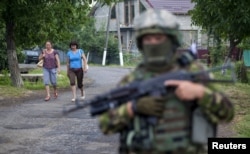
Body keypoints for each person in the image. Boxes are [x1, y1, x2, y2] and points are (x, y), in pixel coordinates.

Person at [97, 9, 234, 154]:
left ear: (171, 39)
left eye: (158, 38)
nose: (153, 43)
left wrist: (200, 93)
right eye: (148, 39)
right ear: (141, 43)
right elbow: (105, 125)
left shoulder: (192, 71)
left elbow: (227, 113)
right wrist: (133, 108)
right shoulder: (133, 80)